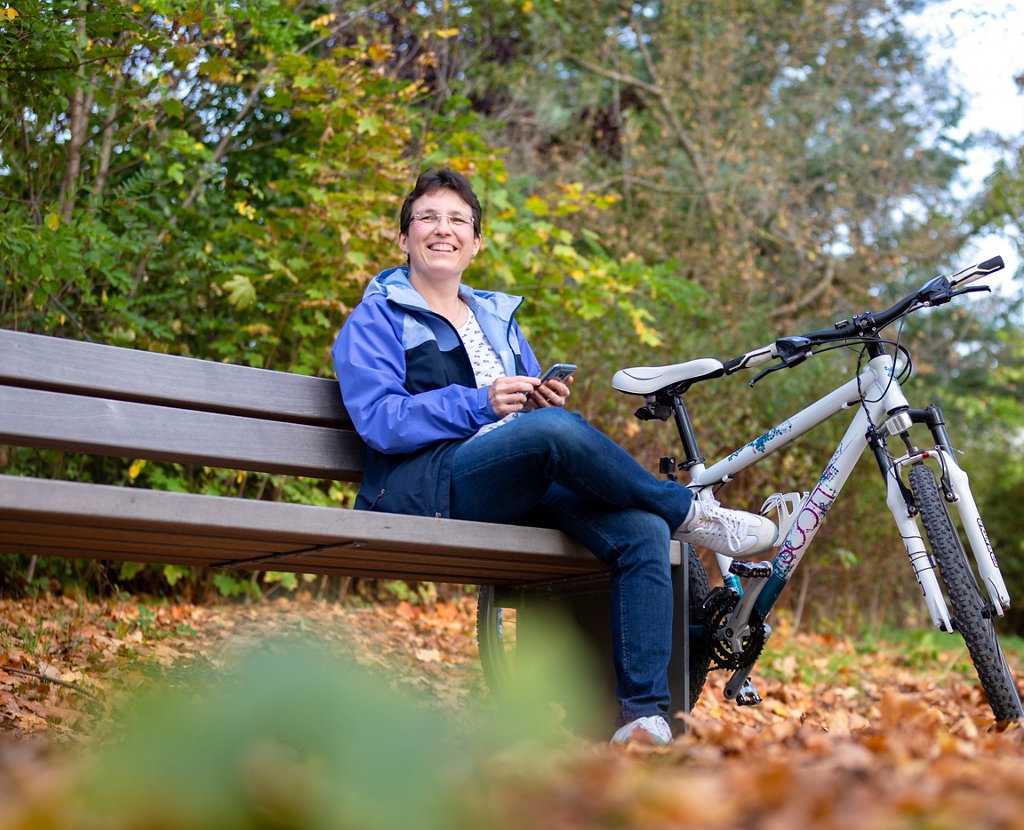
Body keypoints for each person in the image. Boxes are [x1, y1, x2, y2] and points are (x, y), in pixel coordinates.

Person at [332, 167, 778, 745]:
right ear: (404, 238)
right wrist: (482, 404)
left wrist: (537, 397)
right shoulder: (377, 317)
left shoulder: (496, 318)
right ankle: (691, 514)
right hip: (431, 485)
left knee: (641, 529)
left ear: (476, 241)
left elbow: (530, 417)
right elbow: (380, 422)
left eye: (457, 220)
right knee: (554, 434)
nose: (442, 229)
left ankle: (642, 720)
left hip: (518, 482)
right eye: (427, 218)